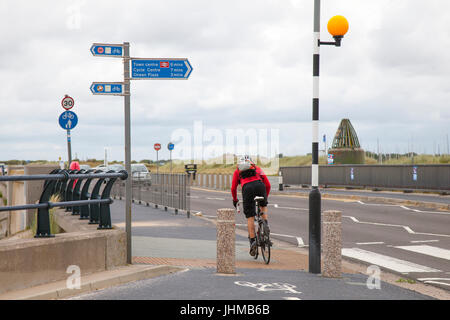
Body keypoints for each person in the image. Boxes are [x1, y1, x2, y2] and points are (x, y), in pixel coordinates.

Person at [231, 155, 271, 256]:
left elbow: (233, 188)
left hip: (247, 189)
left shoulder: (237, 171)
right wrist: (265, 197)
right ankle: (265, 225)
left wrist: (235, 200)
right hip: (260, 186)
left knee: (250, 217)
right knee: (263, 206)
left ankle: (252, 241)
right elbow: (268, 185)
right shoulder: (258, 169)